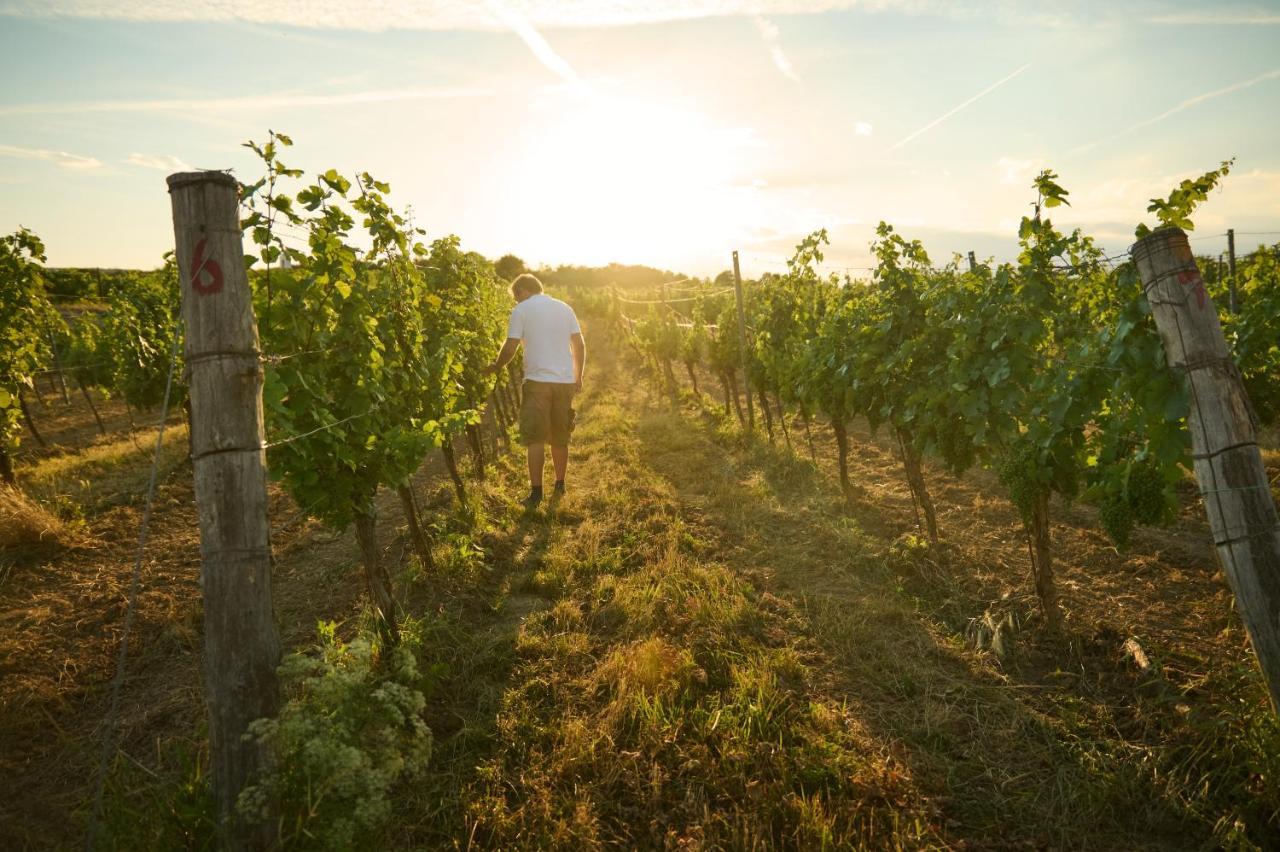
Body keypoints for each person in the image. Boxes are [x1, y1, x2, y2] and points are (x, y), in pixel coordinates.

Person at [483, 273, 585, 508]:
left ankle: (536, 493)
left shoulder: (522, 310)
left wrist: (496, 366)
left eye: (515, 297)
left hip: (537, 382)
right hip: (563, 381)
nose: (515, 302)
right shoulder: (564, 308)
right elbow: (579, 344)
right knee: (561, 436)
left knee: (535, 438)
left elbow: (510, 345)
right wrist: (577, 376)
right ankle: (560, 485)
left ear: (522, 291)